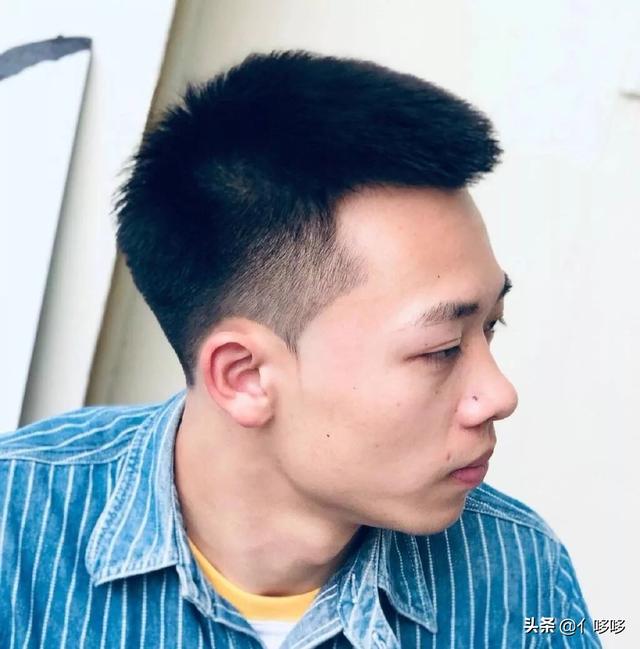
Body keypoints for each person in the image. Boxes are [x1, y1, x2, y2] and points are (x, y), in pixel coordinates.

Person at [0, 50, 600, 649]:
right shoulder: (15, 529)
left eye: (491, 326)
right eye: (442, 348)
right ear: (244, 376)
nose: (498, 395)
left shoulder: (522, 578)